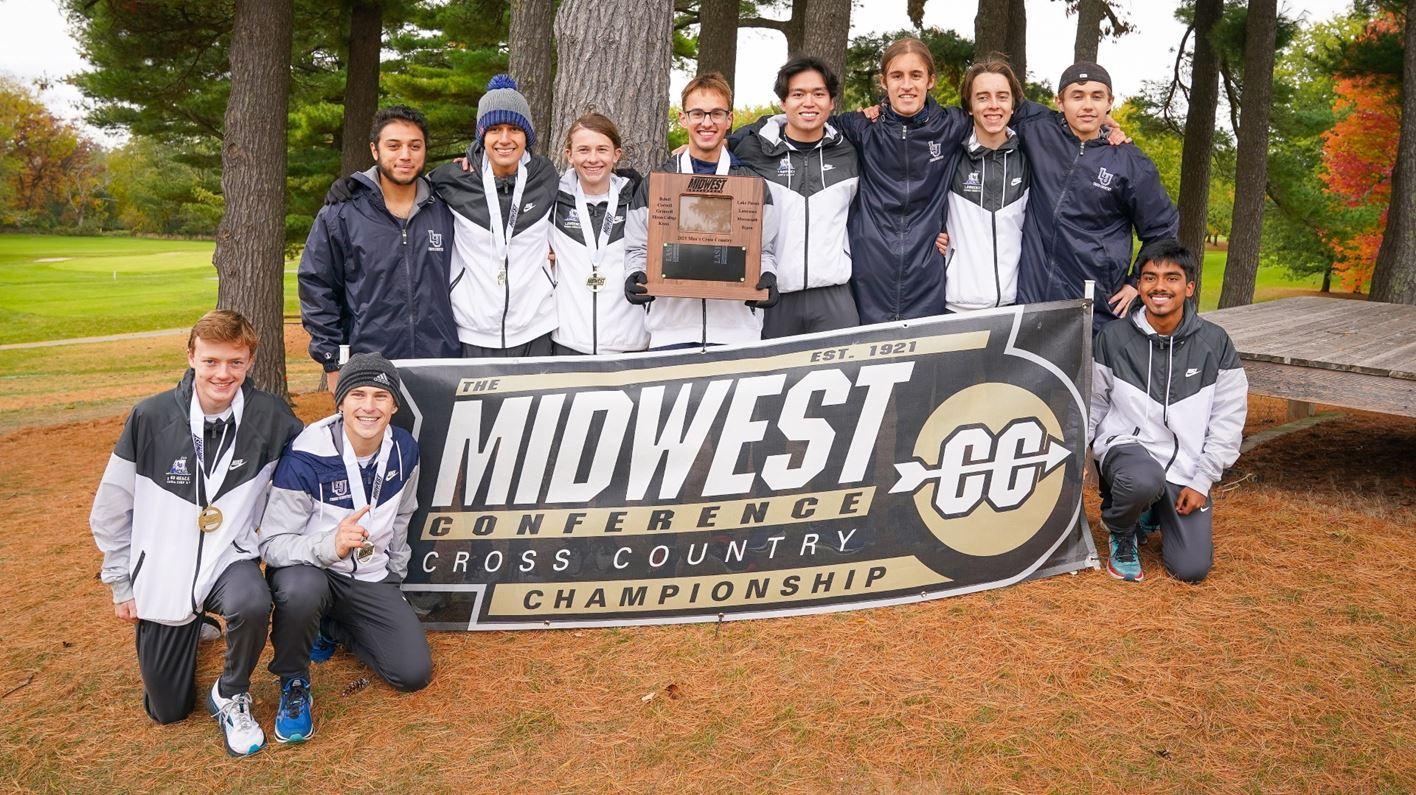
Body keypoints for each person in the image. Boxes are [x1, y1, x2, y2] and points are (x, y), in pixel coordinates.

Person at [89, 310, 303, 756]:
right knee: (167, 710)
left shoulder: (271, 416)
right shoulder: (149, 416)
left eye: (235, 362)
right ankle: (196, 624)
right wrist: (120, 580)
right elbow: (111, 506)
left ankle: (232, 691)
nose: (223, 374)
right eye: (211, 361)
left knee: (252, 599)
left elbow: (307, 471)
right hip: (165, 567)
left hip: (229, 557)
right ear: (191, 357)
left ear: (249, 362)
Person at [260, 353, 431, 744]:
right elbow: (272, 543)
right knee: (302, 589)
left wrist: (395, 575)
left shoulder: (404, 450)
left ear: (394, 405)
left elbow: (403, 516)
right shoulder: (306, 455)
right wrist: (330, 546)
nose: (368, 407)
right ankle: (293, 679)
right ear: (340, 401)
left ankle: (332, 627)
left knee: (412, 674)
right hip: (315, 572)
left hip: (371, 578)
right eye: (357, 394)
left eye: (380, 396)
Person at [1089, 240, 1247, 583]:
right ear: (1140, 285)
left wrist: (1202, 480)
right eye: (1149, 277)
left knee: (1191, 570)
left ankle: (1150, 512)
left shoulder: (1215, 343)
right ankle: (1122, 529)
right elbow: (1093, 403)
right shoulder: (1112, 337)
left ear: (1189, 287)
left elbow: (1228, 420)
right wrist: (1077, 459)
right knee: (1142, 480)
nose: (1159, 286)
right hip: (1127, 451)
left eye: (1171, 278)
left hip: (1185, 465)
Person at [300, 105, 460, 386]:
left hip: (440, 365)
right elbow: (317, 286)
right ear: (375, 150)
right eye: (394, 146)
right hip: (368, 368)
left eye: (415, 146)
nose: (405, 155)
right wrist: (332, 361)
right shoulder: (343, 212)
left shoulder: (447, 209)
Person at [1012, 62, 1179, 330]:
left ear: (1110, 102)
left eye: (1097, 96)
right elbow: (992, 96)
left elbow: (1162, 230)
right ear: (1060, 101)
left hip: (1095, 309)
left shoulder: (1130, 162)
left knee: (1089, 372)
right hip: (1034, 303)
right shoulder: (1037, 130)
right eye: (1077, 96)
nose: (1087, 105)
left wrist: (1137, 282)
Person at [624, 72, 780, 349]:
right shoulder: (658, 182)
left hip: (736, 332)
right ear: (683, 118)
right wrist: (634, 274)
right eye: (697, 113)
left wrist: (767, 277)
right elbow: (637, 247)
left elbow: (764, 249)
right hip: (672, 329)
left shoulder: (751, 183)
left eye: (716, 114)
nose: (707, 123)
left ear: (729, 119)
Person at [830, 37, 973, 324]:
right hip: (869, 275)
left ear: (931, 80)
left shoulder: (952, 125)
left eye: (916, 75)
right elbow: (801, 124)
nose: (906, 85)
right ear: (884, 82)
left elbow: (1013, 117)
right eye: (897, 76)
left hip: (927, 276)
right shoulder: (860, 127)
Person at [726, 56, 859, 337]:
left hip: (834, 297)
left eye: (818, 94)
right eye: (798, 94)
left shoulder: (850, 150)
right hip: (772, 295)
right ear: (783, 102)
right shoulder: (751, 150)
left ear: (832, 102)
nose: (808, 102)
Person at [428, 75, 560, 356]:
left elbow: (591, 181)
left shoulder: (545, 176)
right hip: (473, 332)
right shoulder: (452, 178)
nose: (504, 139)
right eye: (494, 129)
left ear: (527, 136)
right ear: (481, 136)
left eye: (514, 129)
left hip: (535, 329)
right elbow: (401, 191)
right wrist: (358, 184)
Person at [548, 113, 648, 355]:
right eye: (583, 150)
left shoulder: (638, 201)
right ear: (569, 155)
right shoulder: (550, 200)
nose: (593, 159)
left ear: (616, 155)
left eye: (602, 150)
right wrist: (474, 158)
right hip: (569, 346)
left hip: (630, 346)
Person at [935, 57, 1030, 313]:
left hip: (1014, 307)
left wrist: (1105, 130)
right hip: (956, 306)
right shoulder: (950, 155)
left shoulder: (1030, 157)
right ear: (969, 106)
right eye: (983, 97)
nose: (993, 105)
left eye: (1002, 96)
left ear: (1013, 105)